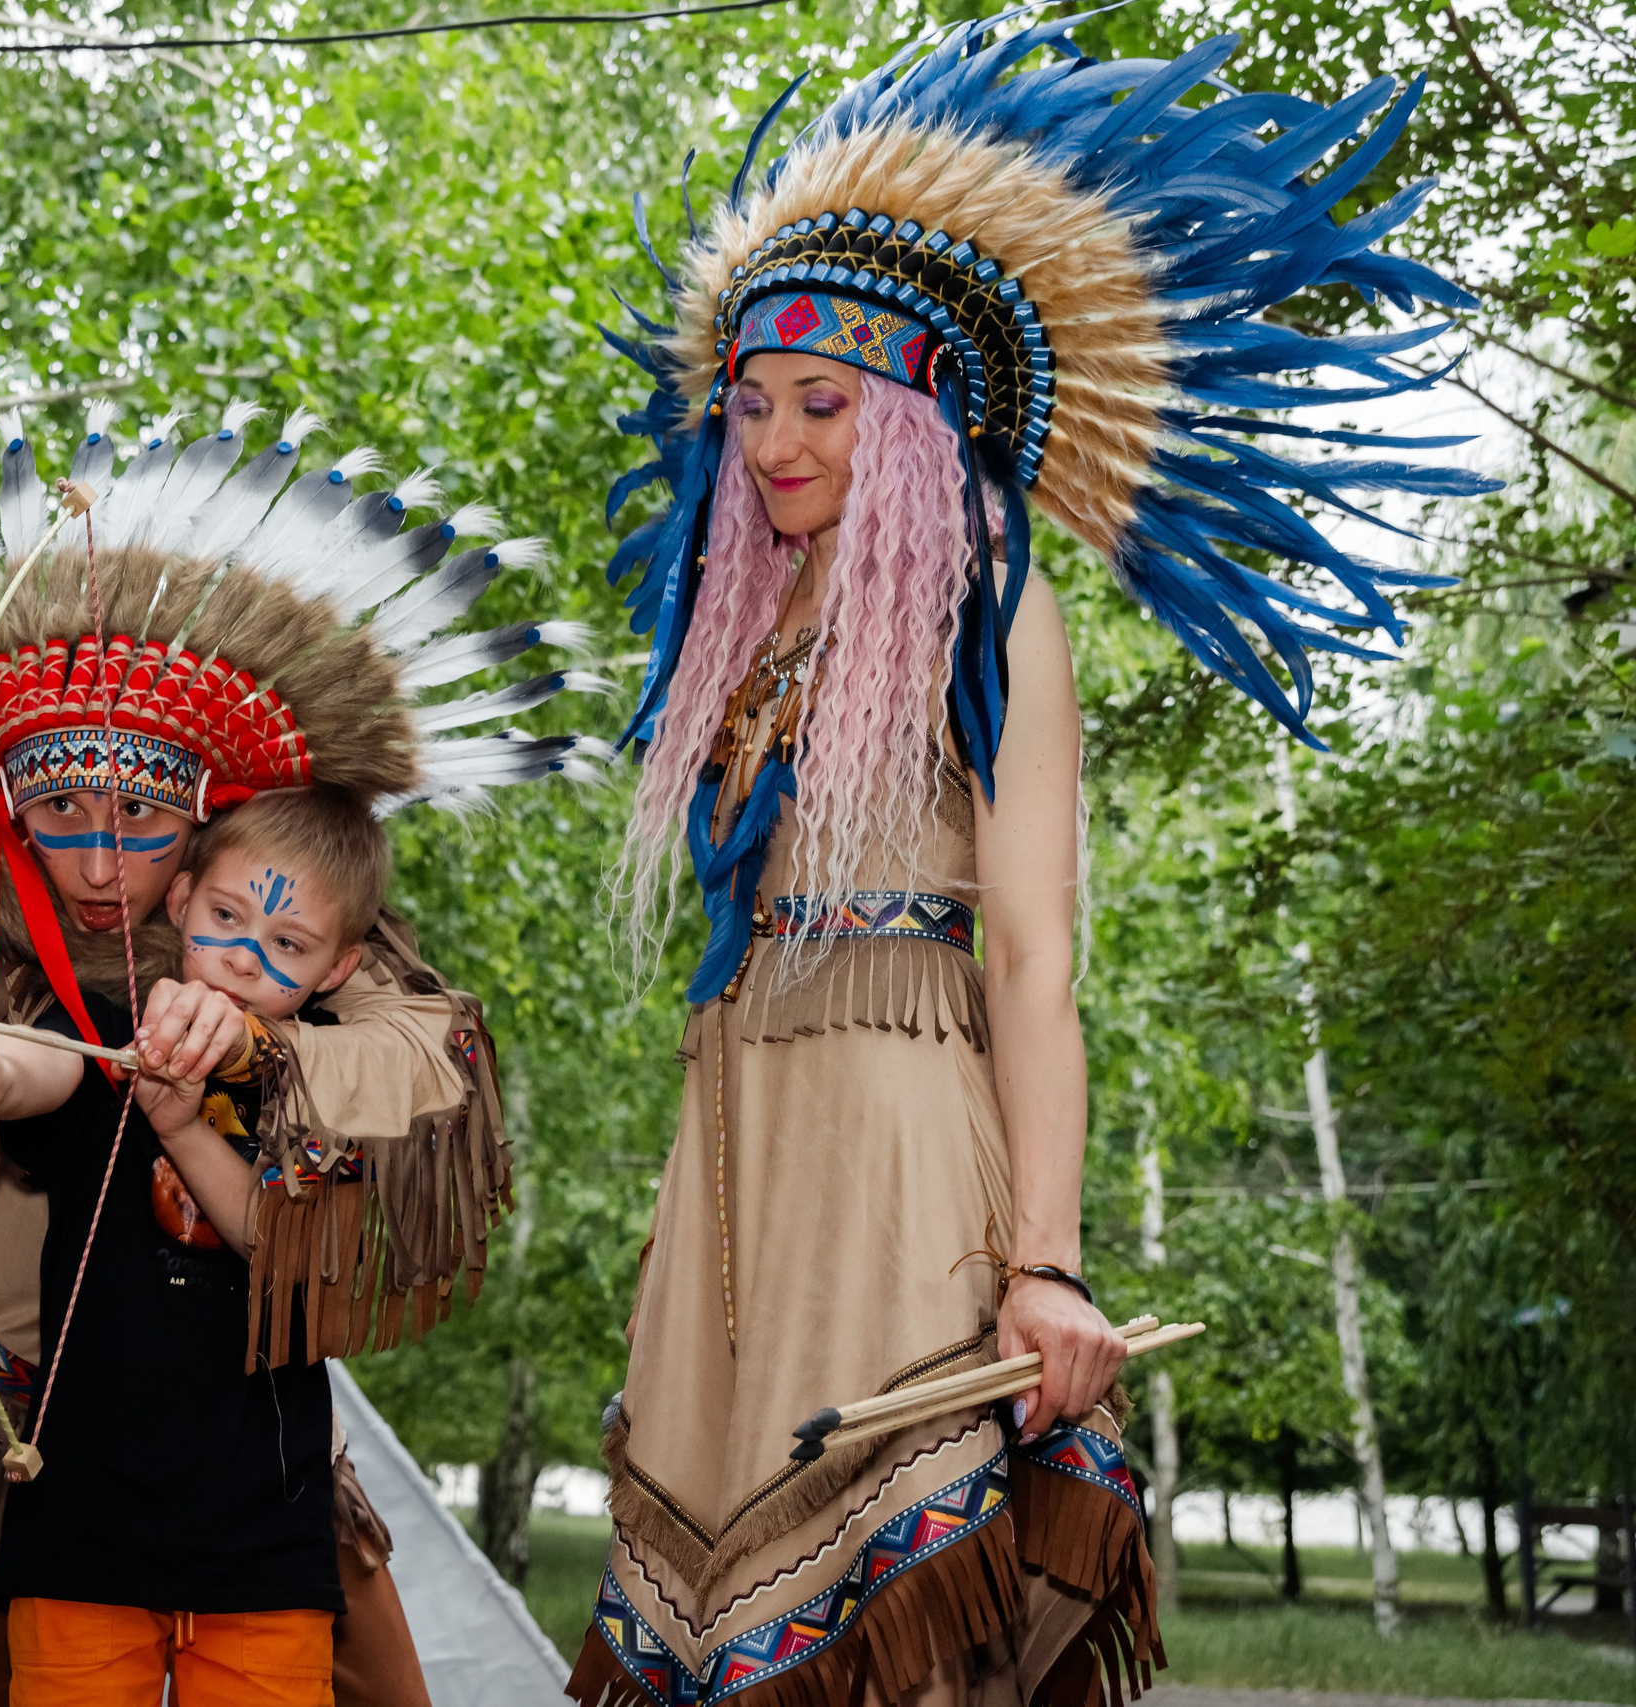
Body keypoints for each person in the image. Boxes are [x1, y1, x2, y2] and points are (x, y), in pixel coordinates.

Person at [575, 19, 1490, 1706]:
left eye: (824, 403)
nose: (775, 442)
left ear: (915, 412)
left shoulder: (992, 611)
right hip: (733, 1142)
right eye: (753, 405)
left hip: (907, 1144)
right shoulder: (738, 626)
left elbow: (1033, 960)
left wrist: (1047, 1263)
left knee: (895, 1630)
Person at [0, 402, 600, 1703]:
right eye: (60, 809)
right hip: (17, 1410)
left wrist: (257, 1048)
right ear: (11, 813)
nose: (99, 860)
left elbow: (433, 1052)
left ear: (202, 819)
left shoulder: (265, 923)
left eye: (142, 815)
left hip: (240, 1420)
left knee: (379, 1688)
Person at [0, 786, 390, 1705]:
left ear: (338, 966)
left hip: (263, 1549)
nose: (242, 958)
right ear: (183, 901)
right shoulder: (108, 1030)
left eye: (286, 944)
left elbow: (291, 1251)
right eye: (226, 917)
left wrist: (183, 1126)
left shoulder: (331, 1075)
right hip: (80, 1539)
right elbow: (48, 1067)